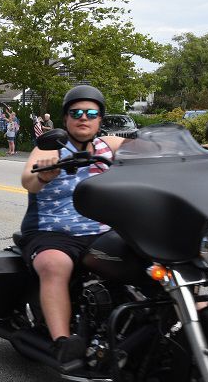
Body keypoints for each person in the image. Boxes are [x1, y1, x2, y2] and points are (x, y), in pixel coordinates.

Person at [19, 85, 128, 364]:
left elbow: (148, 147)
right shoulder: (50, 148)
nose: (84, 117)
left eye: (91, 113)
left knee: (154, 257)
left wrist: (198, 150)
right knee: (55, 264)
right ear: (65, 118)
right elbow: (28, 180)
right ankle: (62, 341)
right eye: (76, 112)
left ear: (100, 120)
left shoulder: (109, 145)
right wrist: (44, 174)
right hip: (53, 232)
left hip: (103, 231)